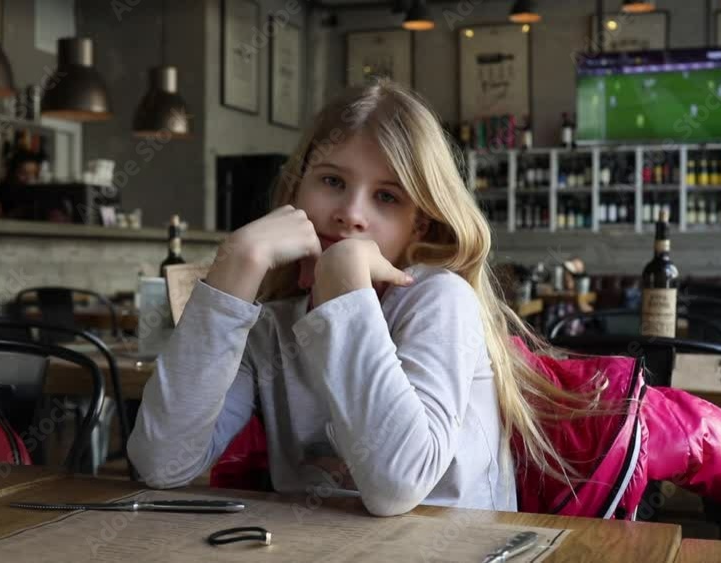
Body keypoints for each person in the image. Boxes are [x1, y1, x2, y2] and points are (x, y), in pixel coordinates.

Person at [126, 80, 590, 516]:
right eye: (332, 182)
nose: (351, 214)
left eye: (386, 197)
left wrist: (345, 285)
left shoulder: (439, 299)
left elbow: (397, 486)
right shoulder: (270, 327)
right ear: (296, 190)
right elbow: (162, 464)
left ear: (420, 225)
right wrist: (236, 267)